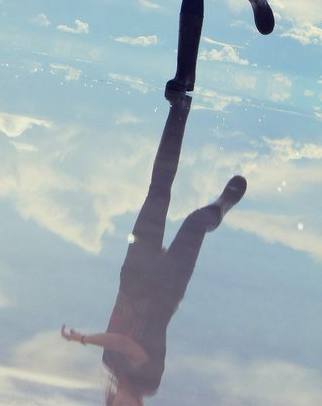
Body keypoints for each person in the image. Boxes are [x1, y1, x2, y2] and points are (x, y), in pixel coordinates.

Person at [61, 98, 247, 404]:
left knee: (158, 191)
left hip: (135, 272)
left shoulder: (109, 364)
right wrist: (83, 339)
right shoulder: (149, 381)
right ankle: (220, 207)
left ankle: (178, 109)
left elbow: (119, 333)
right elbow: (126, 344)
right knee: (195, 222)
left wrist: (87, 340)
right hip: (167, 287)